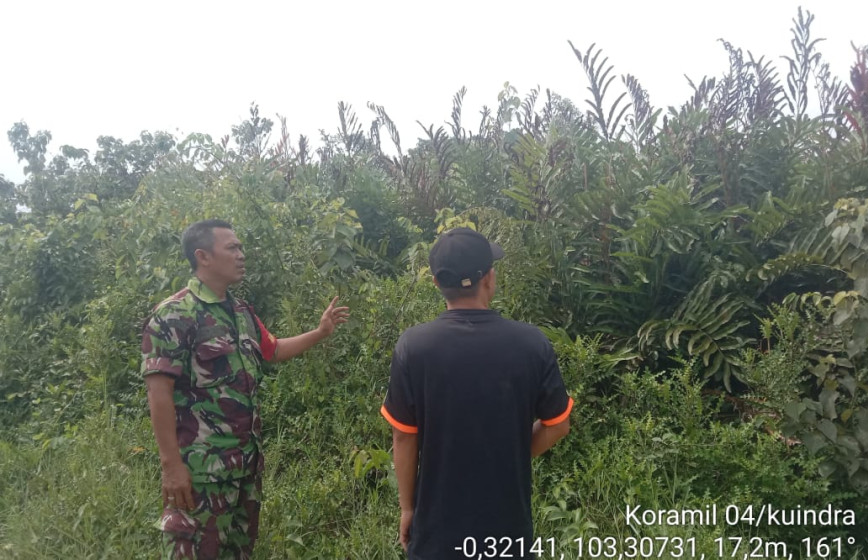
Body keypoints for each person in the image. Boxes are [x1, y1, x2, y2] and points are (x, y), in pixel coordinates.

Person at [141, 219, 349, 559]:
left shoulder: (240, 312)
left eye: (241, 247)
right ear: (203, 256)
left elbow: (274, 349)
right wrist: (171, 466)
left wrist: (320, 332)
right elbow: (158, 393)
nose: (242, 254)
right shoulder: (173, 315)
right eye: (232, 248)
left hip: (245, 470)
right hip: (201, 473)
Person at [381, 227, 573, 559]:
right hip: (507, 533)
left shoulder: (413, 347)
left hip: (436, 536)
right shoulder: (531, 344)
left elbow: (403, 437)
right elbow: (558, 424)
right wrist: (505, 454)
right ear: (489, 278)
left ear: (437, 284)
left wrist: (407, 509)